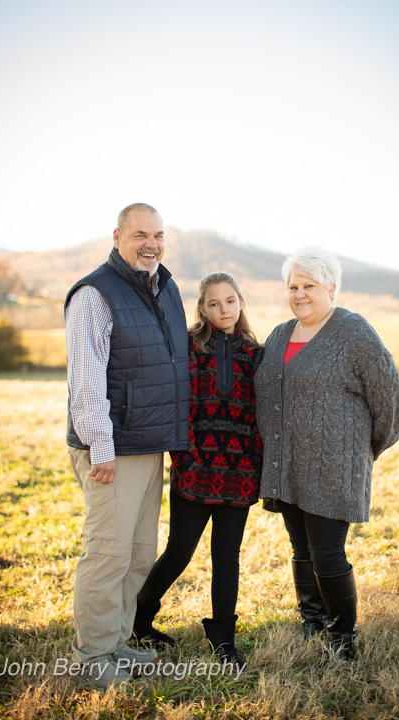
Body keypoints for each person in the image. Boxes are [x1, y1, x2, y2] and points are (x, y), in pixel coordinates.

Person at [254, 246, 399, 660]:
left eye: (310, 286)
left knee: (327, 552)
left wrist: (359, 451)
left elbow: (388, 400)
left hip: (333, 468)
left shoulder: (354, 332)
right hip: (287, 467)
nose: (300, 294)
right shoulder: (282, 333)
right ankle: (312, 622)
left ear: (332, 287)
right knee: (300, 549)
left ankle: (343, 637)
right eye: (293, 286)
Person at [65, 203, 190, 689]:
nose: (151, 243)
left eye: (158, 234)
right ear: (117, 236)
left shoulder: (165, 286)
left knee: (139, 553)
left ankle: (116, 643)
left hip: (149, 443)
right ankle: (91, 660)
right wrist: (101, 448)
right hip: (111, 450)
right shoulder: (95, 294)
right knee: (107, 553)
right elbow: (87, 380)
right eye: (140, 234)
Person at [132, 272, 263, 665]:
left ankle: (223, 639)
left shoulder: (257, 351)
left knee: (227, 555)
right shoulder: (187, 346)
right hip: (195, 467)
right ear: (202, 309)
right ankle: (138, 620)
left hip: (240, 471)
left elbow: (263, 411)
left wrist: (257, 459)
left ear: (240, 302)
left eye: (230, 301)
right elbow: (174, 401)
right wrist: (181, 456)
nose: (224, 309)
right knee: (178, 552)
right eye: (214, 303)